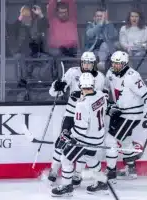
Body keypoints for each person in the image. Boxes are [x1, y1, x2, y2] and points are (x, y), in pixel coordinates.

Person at [48, 52, 106, 185]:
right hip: (71, 113)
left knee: (82, 146)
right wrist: (57, 87)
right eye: (84, 62)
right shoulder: (72, 72)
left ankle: (78, 173)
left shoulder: (100, 78)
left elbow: (98, 97)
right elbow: (55, 92)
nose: (86, 65)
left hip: (87, 118)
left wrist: (80, 95)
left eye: (89, 63)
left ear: (94, 64)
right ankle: (54, 169)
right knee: (61, 141)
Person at [104, 51, 147, 182]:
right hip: (120, 113)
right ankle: (131, 169)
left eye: (118, 64)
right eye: (114, 63)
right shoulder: (110, 73)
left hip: (131, 115)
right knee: (126, 141)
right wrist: (108, 104)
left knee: (110, 140)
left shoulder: (133, 76)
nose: (115, 66)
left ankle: (111, 172)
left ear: (125, 64)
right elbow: (105, 88)